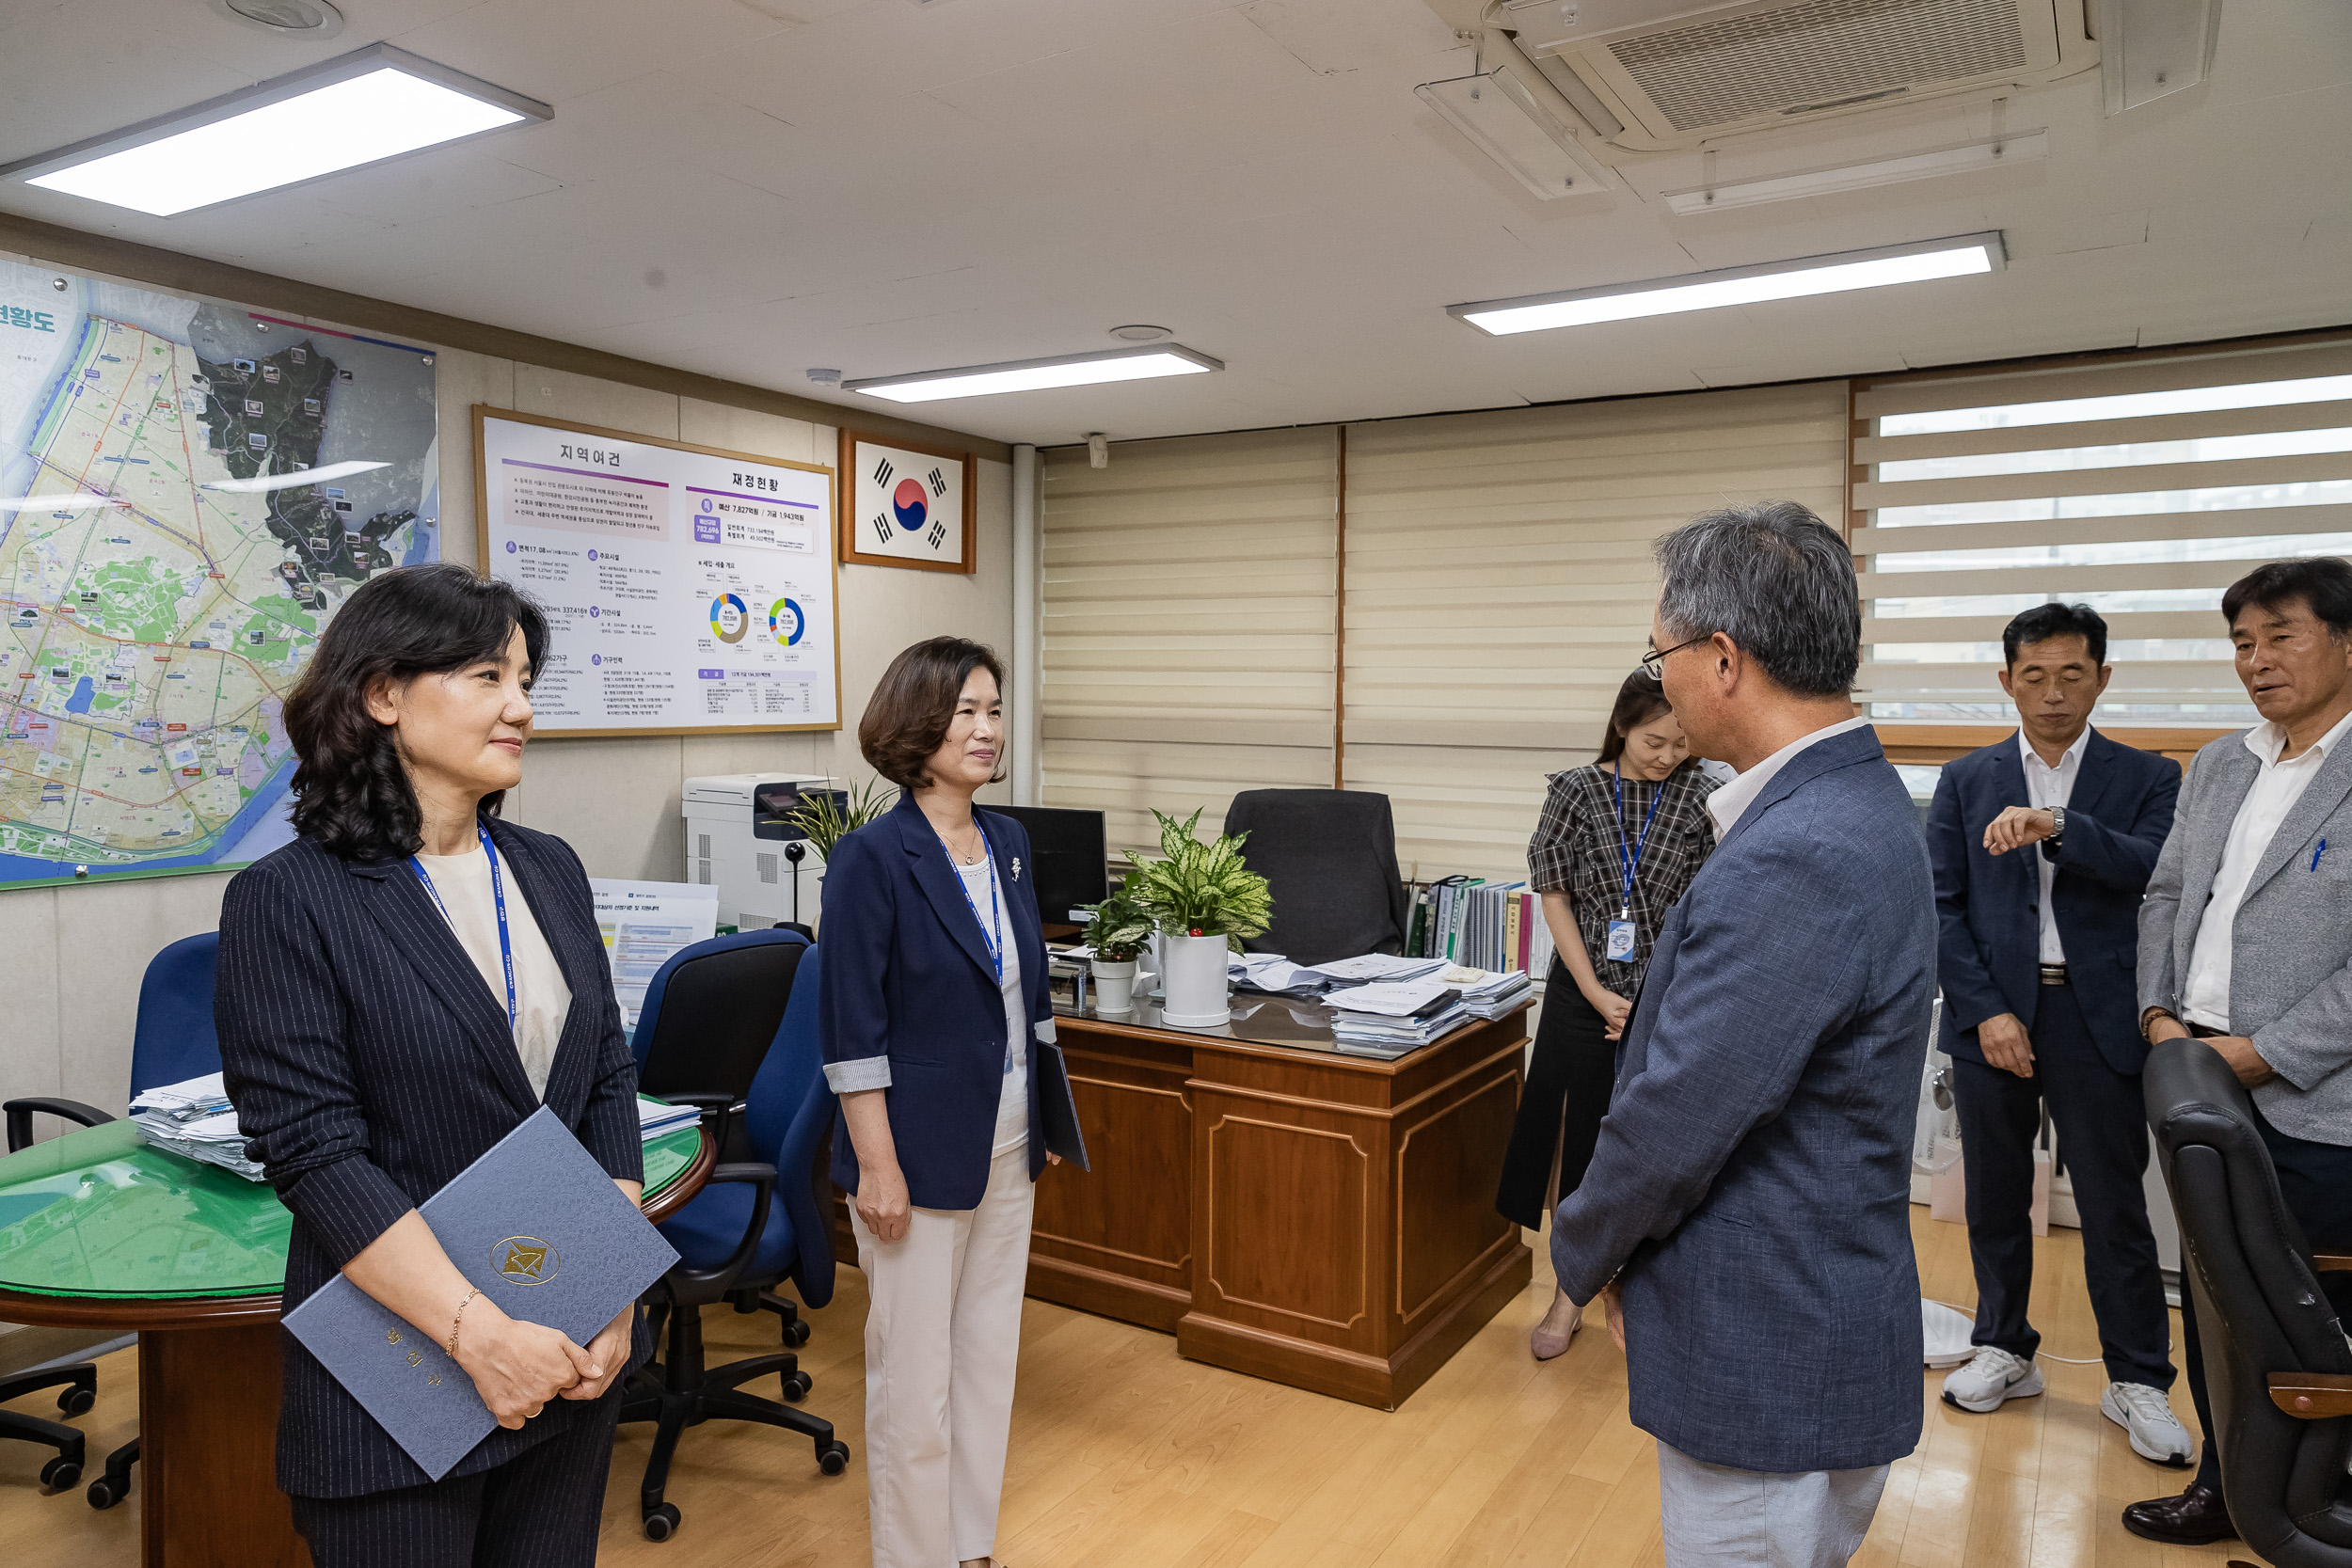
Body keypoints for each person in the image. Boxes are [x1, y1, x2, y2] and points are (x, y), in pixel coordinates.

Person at [215, 564, 644, 1568]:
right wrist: (479, 1334)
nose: (521, 707)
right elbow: (318, 1153)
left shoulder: (547, 867)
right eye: (488, 676)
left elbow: (608, 1077)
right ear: (382, 694)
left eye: (527, 679)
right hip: (401, 1375)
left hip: (565, 1352)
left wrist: (614, 1289)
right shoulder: (291, 899)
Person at [1549, 501, 1934, 1567]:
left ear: (1722, 659)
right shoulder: (1857, 796)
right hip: (1804, 1312)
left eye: (1660, 652)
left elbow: (1680, 1113)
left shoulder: (1797, 849)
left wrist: (1586, 1245)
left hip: (1770, 1340)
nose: (1656, 678)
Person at [818, 636, 1079, 1568]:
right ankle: (913, 1554)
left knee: (985, 1353)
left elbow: (1025, 999)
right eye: (964, 711)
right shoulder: (871, 858)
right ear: (914, 724)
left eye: (992, 709)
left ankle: (970, 1542)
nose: (984, 728)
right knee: (913, 1376)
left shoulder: (1005, 841)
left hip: (1007, 1141)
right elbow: (850, 1033)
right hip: (911, 1155)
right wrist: (877, 1165)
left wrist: (1043, 1122)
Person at [1925, 603, 2189, 1462]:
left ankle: (2139, 1379)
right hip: (1994, 1011)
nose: (2051, 693)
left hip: (2098, 1012)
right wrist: (1987, 1011)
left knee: (2116, 1208)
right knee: (1996, 1197)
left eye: (2072, 674)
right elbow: (1941, 907)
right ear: (2005, 681)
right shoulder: (1967, 779)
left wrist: (2062, 828)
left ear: (2103, 678)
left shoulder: (2148, 776)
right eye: (2032, 675)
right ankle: (2004, 1346)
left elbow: (2156, 869)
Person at [2125, 556, 2352, 1545]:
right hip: (2196, 1072)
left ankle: (2323, 1505)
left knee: (2317, 1311)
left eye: (2281, 636)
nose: (2255, 661)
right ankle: (2225, 1484)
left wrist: (2266, 1050)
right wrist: (2159, 1016)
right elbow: (2167, 895)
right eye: (2241, 642)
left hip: (2317, 1098)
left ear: (2345, 639)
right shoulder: (2220, 761)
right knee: (2216, 1300)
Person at [1498, 669, 1720, 1360]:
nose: (1668, 756)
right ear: (1623, 724)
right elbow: (1554, 895)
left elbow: (1706, 909)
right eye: (1655, 740)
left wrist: (1652, 1002)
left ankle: (1630, 1287)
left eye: (1682, 743)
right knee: (1578, 1149)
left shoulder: (1702, 796)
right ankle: (1567, 1297)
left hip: (1668, 991)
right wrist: (1596, 992)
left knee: (1646, 1148)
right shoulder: (1575, 790)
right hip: (1581, 988)